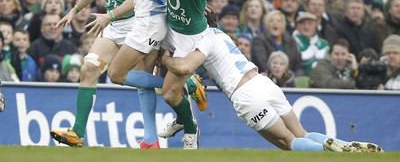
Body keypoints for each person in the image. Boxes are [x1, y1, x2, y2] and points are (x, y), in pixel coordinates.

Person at [51, 0, 207, 149]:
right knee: (89, 67)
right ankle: (78, 133)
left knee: (126, 78)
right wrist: (74, 10)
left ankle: (162, 119)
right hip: (117, 27)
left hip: (139, 23)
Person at [160, 27, 383, 152]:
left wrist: (166, 59)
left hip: (245, 94)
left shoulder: (202, 40)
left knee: (288, 142)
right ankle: (346, 148)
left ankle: (331, 153)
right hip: (264, 83)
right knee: (301, 133)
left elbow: (184, 66)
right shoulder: (220, 33)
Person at [127, 0, 211, 149]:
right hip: (169, 27)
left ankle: (191, 129)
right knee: (146, 67)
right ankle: (184, 108)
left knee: (169, 93)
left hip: (190, 37)